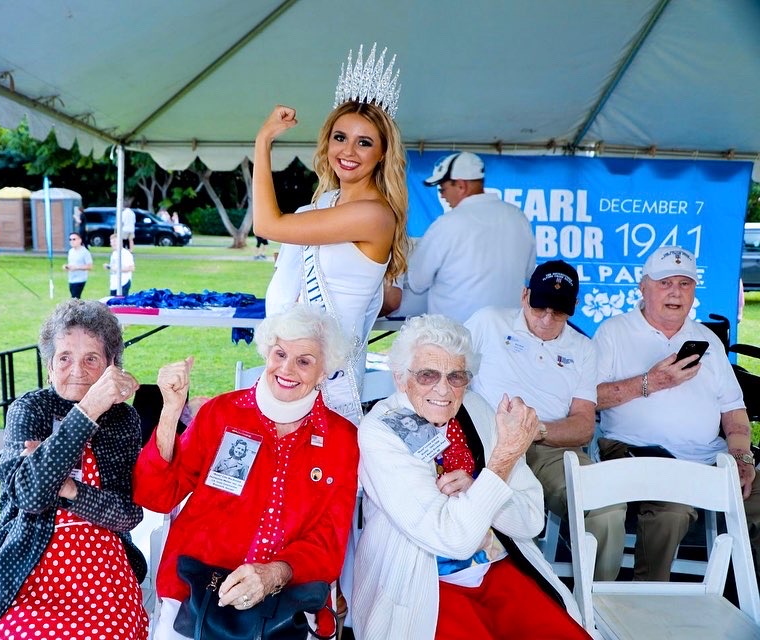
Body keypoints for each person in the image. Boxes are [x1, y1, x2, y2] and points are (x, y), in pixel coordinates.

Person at [352, 314, 589, 638]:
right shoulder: (382, 430)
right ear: (400, 378)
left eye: (456, 376)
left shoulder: (476, 409)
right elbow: (453, 539)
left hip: (497, 565)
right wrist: (500, 466)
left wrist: (479, 487)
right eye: (427, 375)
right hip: (424, 583)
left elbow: (532, 519)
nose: (443, 389)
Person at [134, 304, 359, 640]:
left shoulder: (341, 439)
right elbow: (156, 495)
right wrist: (170, 413)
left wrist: (273, 574)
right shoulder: (222, 413)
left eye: (304, 361)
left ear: (324, 371)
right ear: (267, 353)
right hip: (198, 594)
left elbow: (329, 541)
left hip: (286, 608)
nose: (287, 368)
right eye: (280, 353)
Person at [0, 299, 148, 640]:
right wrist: (88, 409)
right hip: (28, 557)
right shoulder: (30, 409)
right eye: (65, 358)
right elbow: (29, 496)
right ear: (48, 366)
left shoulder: (122, 419)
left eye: (92, 358)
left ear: (110, 366)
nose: (78, 370)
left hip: (103, 558)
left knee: (110, 634)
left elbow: (127, 514)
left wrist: (66, 488)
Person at [255, 43, 409, 426]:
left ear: (382, 153)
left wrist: (263, 141)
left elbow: (268, 225)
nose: (349, 151)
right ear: (327, 142)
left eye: (365, 142)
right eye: (340, 137)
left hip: (330, 381)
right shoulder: (325, 202)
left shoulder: (374, 216)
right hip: (290, 365)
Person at [594, 245, 760, 582]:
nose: (675, 292)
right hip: (636, 452)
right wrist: (651, 381)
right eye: (665, 282)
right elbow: (588, 399)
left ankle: (748, 597)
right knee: (673, 509)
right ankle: (646, 601)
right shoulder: (614, 332)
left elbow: (734, 408)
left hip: (706, 457)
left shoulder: (706, 340)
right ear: (643, 287)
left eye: (684, 284)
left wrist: (741, 455)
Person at [465, 259, 626, 581]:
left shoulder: (582, 348)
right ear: (524, 296)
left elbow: (583, 425)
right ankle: (496, 590)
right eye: (540, 308)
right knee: (486, 505)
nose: (547, 319)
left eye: (559, 312)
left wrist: (531, 430)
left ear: (575, 307)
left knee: (608, 507)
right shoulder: (488, 322)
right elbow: (453, 375)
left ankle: (596, 603)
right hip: (486, 442)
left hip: (548, 446)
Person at [406, 151, 536, 323]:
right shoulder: (518, 218)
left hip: (456, 338)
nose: (442, 195)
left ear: (461, 186)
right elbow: (529, 271)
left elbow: (417, 281)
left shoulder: (447, 224)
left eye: (442, 189)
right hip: (506, 337)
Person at [64, 232, 93, 299]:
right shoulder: (71, 251)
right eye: (70, 239)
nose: (72, 241)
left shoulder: (85, 252)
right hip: (71, 278)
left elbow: (90, 266)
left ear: (80, 240)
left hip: (80, 279)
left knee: (75, 298)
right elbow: (71, 264)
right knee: (74, 298)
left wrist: (77, 267)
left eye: (74, 239)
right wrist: (67, 266)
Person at [105, 233, 134, 297]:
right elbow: (114, 266)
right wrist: (109, 267)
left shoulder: (125, 254)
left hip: (123, 283)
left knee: (120, 304)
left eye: (115, 241)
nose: (113, 244)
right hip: (114, 283)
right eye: (111, 242)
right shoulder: (114, 253)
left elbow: (131, 268)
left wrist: (118, 269)